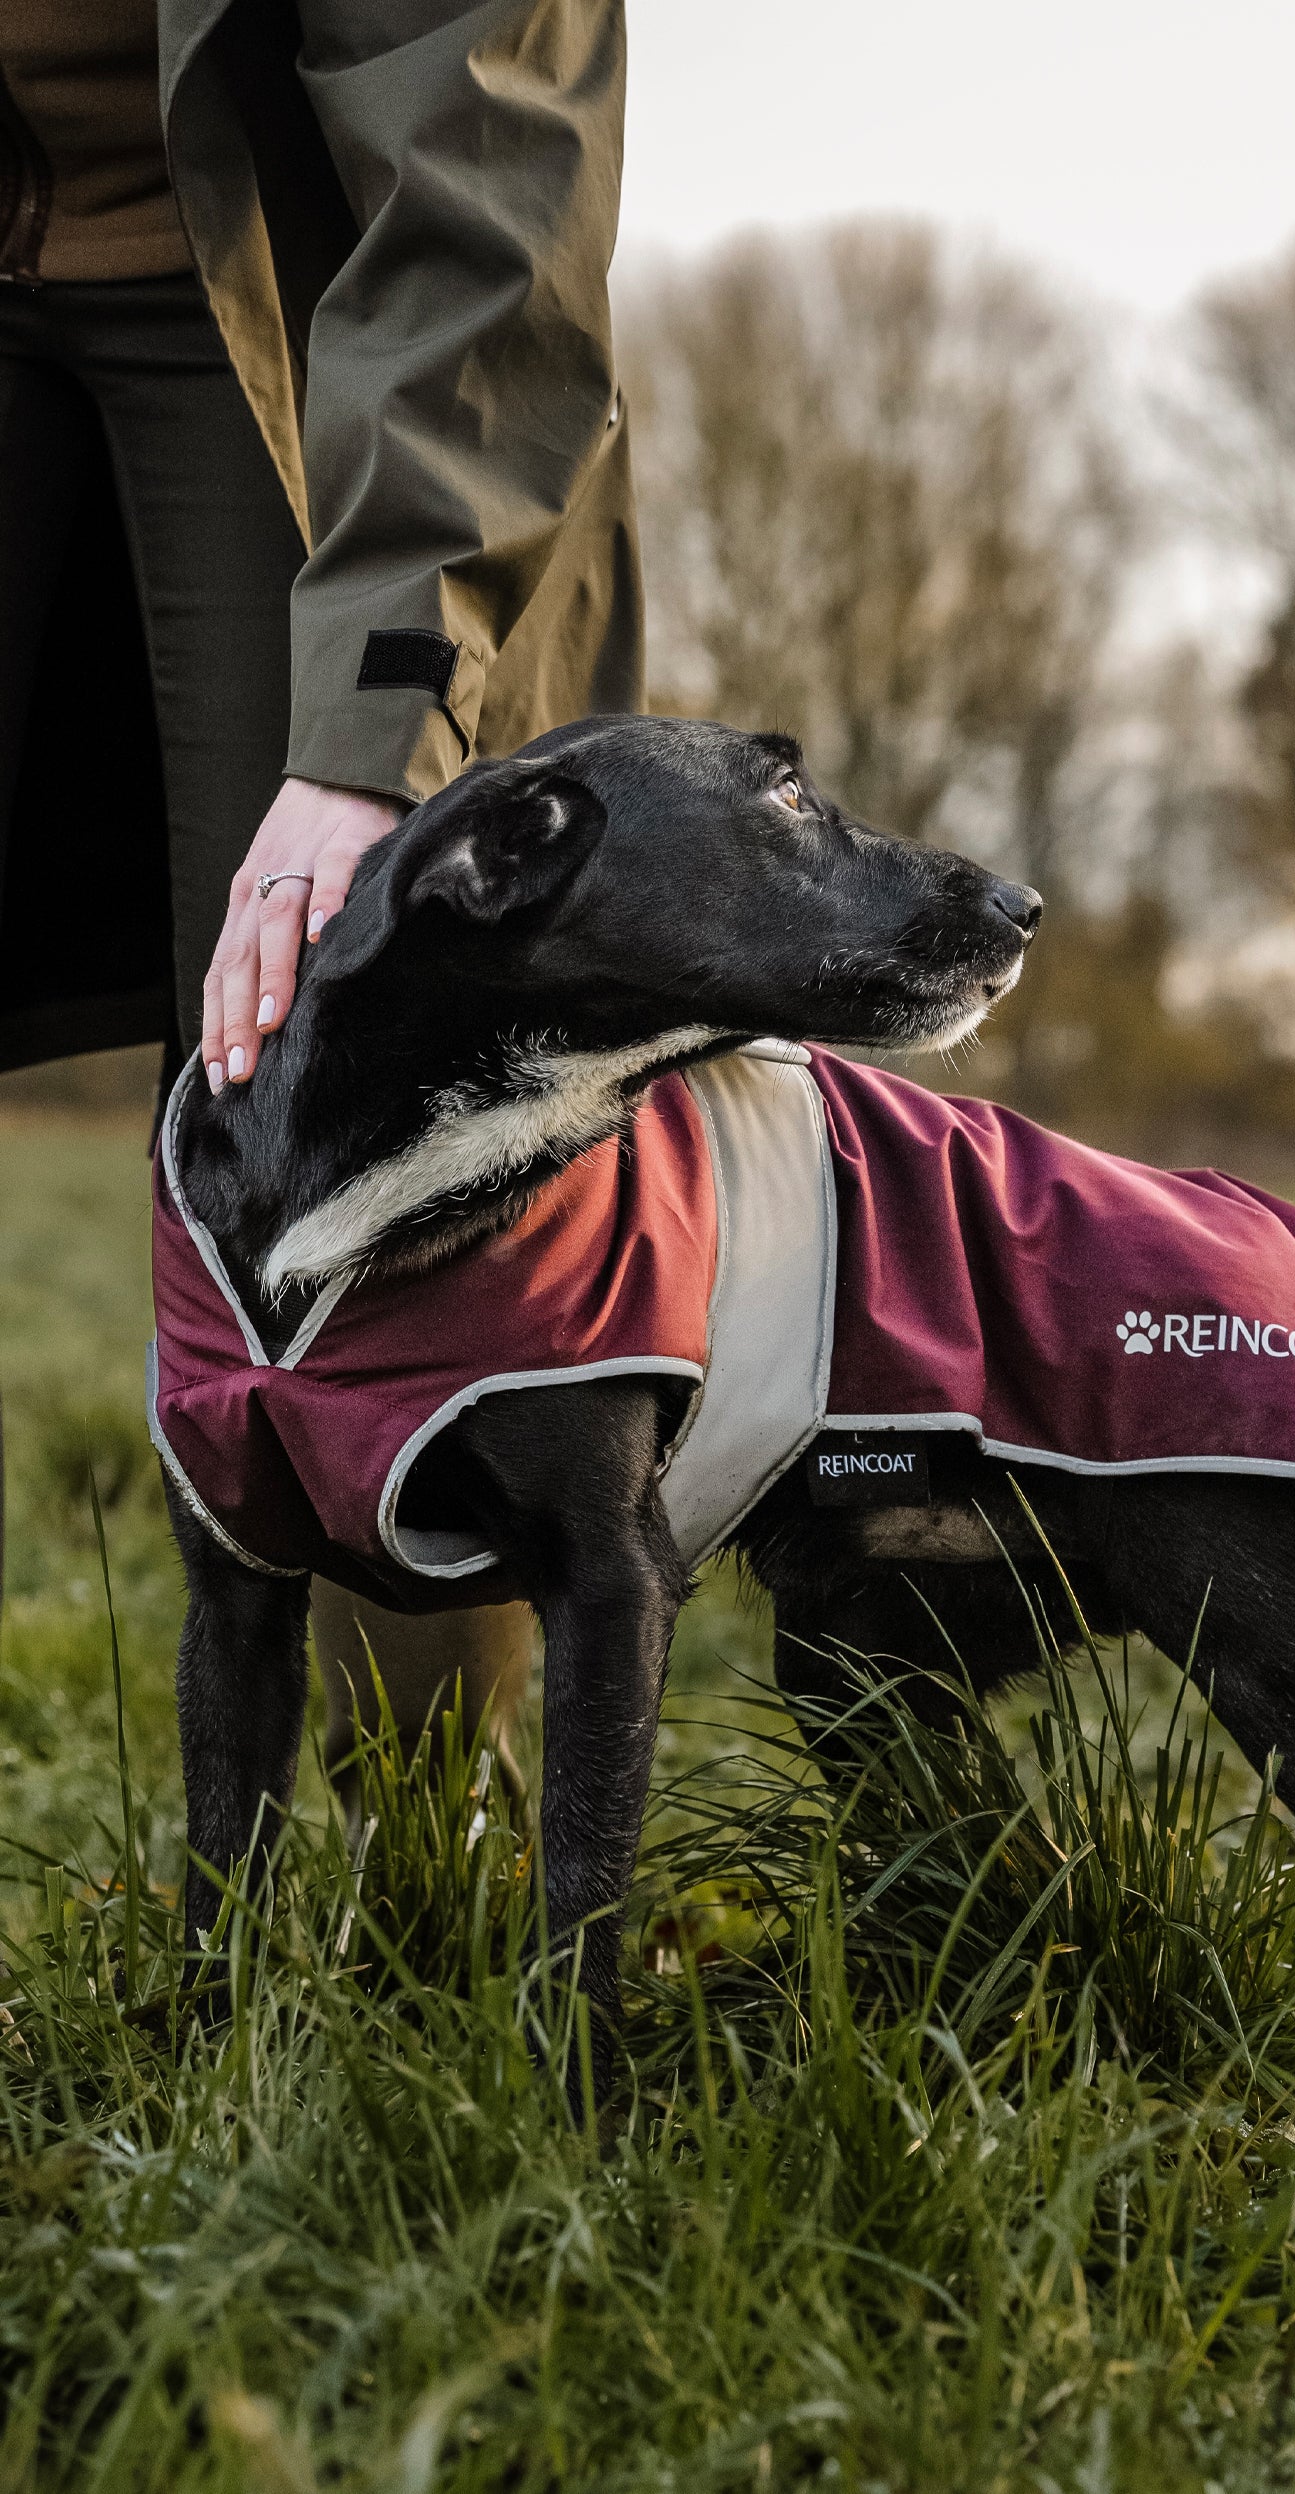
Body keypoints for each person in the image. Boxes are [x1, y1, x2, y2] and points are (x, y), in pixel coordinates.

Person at [0, 0, 643, 1786]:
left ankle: (422, 1826)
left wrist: (378, 730)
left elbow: (486, 182)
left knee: (347, 1056)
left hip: (307, 317)